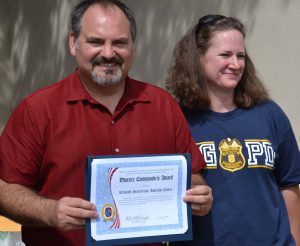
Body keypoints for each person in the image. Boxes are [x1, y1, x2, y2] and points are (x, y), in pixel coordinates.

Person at [0, 1, 213, 246]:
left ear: (133, 45)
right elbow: (5, 190)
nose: (109, 53)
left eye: (120, 42)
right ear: (73, 43)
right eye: (96, 42)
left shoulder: (163, 105)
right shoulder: (37, 109)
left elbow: (192, 174)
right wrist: (51, 211)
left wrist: (198, 193)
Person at [166, 14, 300, 246]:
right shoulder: (177, 119)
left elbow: (289, 184)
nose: (236, 64)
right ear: (198, 58)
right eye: (225, 55)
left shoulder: (270, 114)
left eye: (240, 56)